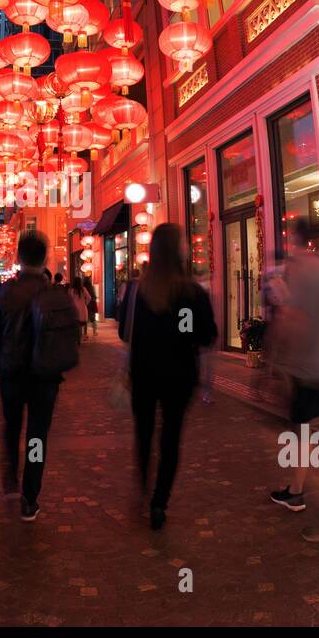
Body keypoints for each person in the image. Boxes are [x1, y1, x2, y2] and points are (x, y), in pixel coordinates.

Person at [120, 225, 217, 529]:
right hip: (179, 375)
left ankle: (143, 489)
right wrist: (181, 331)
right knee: (171, 437)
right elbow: (205, 335)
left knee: (144, 433)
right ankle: (159, 501)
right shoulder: (191, 293)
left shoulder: (137, 291)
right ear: (179, 250)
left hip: (144, 373)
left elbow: (125, 332)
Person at [0, 231, 72, 521]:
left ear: (18, 258)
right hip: (45, 379)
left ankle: (10, 482)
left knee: (10, 427)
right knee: (37, 437)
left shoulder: (4, 293)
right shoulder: (56, 294)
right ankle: (30, 497)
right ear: (43, 258)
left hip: (11, 375)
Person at [267, 217, 319, 543]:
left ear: (294, 237)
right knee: (302, 436)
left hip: (299, 366)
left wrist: (275, 361)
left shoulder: (296, 269)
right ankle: (294, 491)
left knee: (300, 440)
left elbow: (289, 317)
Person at [69, 274, 90, 340]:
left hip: (75, 308)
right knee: (83, 322)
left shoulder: (72, 290)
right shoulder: (83, 289)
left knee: (77, 323)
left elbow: (70, 299)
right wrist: (86, 303)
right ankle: (84, 335)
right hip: (83, 307)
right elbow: (89, 297)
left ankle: (78, 336)